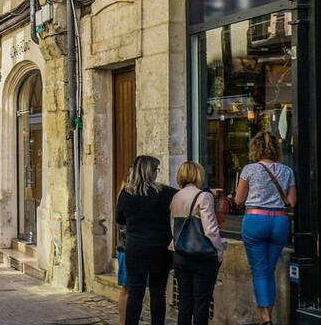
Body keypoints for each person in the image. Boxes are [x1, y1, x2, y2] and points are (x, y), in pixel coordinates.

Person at [234, 132, 296, 325]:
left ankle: (265, 318)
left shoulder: (249, 170)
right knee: (269, 269)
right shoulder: (287, 171)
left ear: (255, 149)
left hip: (255, 219)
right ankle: (266, 317)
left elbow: (238, 200)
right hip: (279, 221)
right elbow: (291, 201)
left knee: (260, 270)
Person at [116, 155, 176, 325]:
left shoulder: (126, 194)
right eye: (156, 170)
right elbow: (188, 195)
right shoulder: (165, 192)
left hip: (136, 249)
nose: (157, 173)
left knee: (136, 292)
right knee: (158, 293)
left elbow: (120, 219)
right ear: (151, 172)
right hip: (160, 249)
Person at [170, 161, 226, 325]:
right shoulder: (204, 196)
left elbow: (172, 227)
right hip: (202, 256)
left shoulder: (176, 196)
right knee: (201, 304)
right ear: (198, 175)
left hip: (180, 255)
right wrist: (219, 249)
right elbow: (210, 230)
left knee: (184, 303)